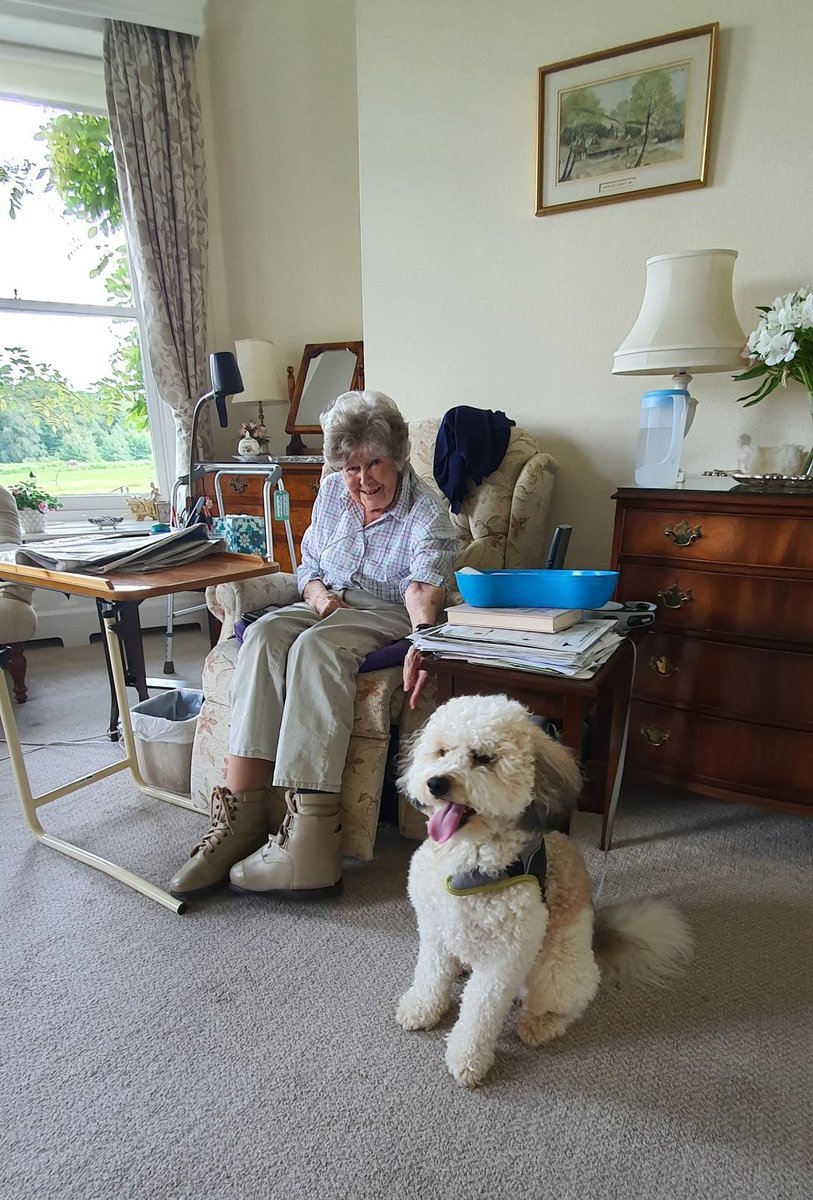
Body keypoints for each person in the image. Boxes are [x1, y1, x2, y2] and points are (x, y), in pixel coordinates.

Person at [169, 390, 458, 901]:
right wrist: (318, 595)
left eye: (374, 464)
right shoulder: (330, 493)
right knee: (261, 633)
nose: (363, 479)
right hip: (328, 600)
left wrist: (424, 639)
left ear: (398, 458)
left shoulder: (427, 512)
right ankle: (244, 814)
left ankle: (310, 844)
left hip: (385, 609)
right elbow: (308, 564)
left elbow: (422, 588)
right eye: (350, 467)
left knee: (316, 649)